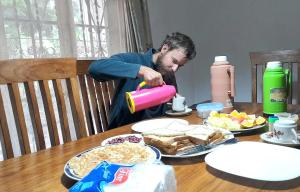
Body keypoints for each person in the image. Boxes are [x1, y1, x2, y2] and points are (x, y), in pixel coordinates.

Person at [88, 32, 196, 129]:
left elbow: (168, 107)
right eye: (174, 61)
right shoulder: (135, 60)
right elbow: (95, 68)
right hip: (125, 131)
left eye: (180, 66)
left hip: (158, 130)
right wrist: (141, 70)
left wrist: (177, 102)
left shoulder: (168, 72)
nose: (175, 69)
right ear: (164, 48)